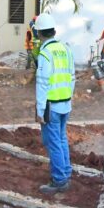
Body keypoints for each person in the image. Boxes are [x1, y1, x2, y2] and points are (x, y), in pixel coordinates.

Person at [33, 13, 75, 194]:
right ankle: (65, 171)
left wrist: (40, 110)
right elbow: (72, 77)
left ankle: (59, 180)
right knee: (62, 139)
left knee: (53, 142)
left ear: (38, 33)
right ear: (54, 31)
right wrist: (69, 97)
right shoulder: (65, 49)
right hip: (65, 102)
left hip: (51, 106)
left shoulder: (45, 53)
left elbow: (42, 83)